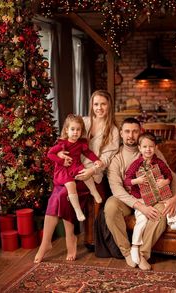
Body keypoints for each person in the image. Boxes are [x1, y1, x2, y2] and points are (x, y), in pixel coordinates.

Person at [34, 89, 119, 263]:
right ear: (91, 105)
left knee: (62, 195)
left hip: (91, 177)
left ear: (109, 105)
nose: (99, 108)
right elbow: (63, 141)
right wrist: (60, 156)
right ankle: (48, 242)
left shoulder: (113, 131)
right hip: (69, 170)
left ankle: (67, 237)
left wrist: (92, 171)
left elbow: (107, 158)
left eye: (103, 104)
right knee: (58, 195)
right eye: (96, 104)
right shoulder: (84, 121)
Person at [104, 117, 176, 270]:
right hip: (127, 199)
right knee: (110, 206)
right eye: (127, 131)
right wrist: (139, 206)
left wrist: (175, 197)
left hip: (153, 197)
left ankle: (142, 255)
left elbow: (170, 175)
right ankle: (127, 253)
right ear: (121, 133)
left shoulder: (152, 151)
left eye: (134, 131)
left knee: (161, 213)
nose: (130, 135)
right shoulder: (116, 157)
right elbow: (116, 188)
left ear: (140, 132)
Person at [124, 132, 176, 264]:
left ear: (156, 147)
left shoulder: (159, 162)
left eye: (151, 146)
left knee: (167, 202)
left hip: (157, 197)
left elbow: (169, 175)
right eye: (145, 146)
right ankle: (135, 246)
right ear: (139, 148)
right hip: (141, 199)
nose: (148, 149)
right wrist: (137, 181)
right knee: (142, 221)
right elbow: (127, 180)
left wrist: (166, 182)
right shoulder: (136, 164)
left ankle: (173, 221)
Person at [47, 114, 104, 222]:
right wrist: (62, 161)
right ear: (66, 130)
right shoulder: (62, 144)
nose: (75, 132)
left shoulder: (80, 143)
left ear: (81, 131)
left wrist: (96, 160)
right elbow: (50, 154)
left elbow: (88, 153)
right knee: (71, 185)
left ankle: (94, 192)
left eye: (78, 130)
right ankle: (78, 210)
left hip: (76, 165)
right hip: (63, 170)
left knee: (85, 173)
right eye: (72, 129)